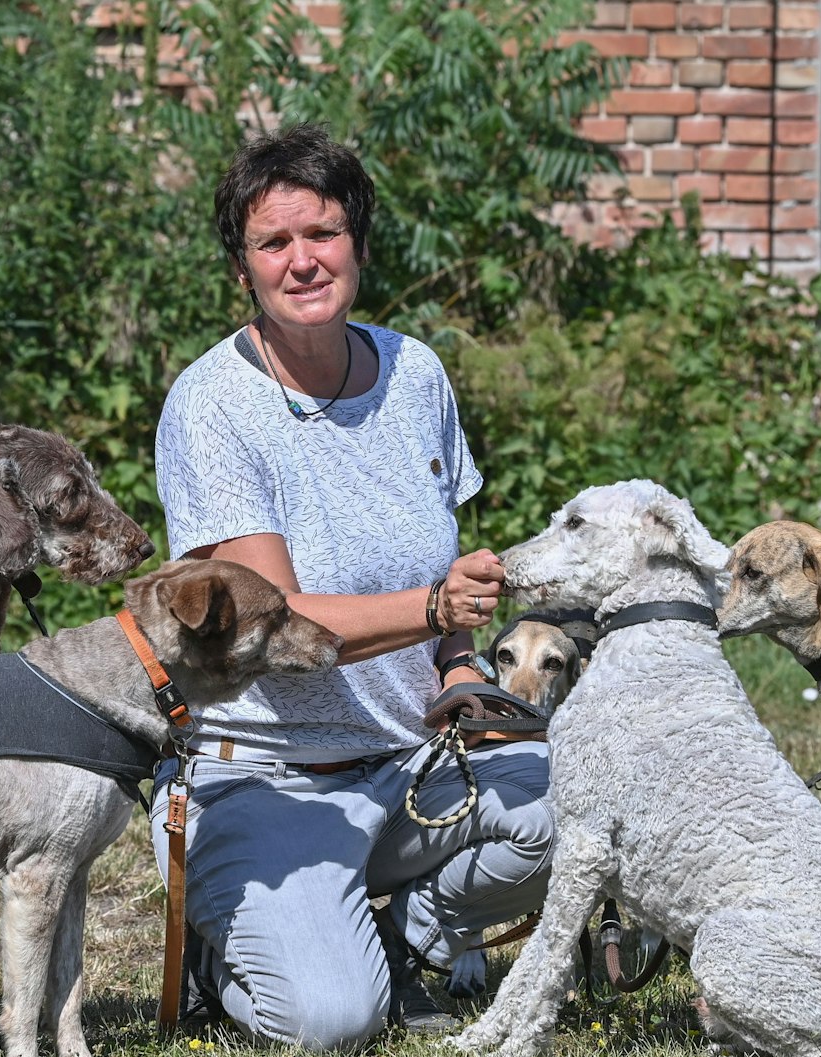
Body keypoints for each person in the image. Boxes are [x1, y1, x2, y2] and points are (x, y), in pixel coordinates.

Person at [151, 123, 553, 1050]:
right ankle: (239, 954)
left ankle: (412, 929)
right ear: (242, 267)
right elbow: (273, 622)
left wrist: (458, 666)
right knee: (331, 1022)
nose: (302, 261)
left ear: (360, 245)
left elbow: (446, 569)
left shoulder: (416, 373)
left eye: (323, 233)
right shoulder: (213, 405)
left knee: (585, 809)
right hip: (269, 777)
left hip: (414, 760)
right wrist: (430, 611)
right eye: (273, 242)